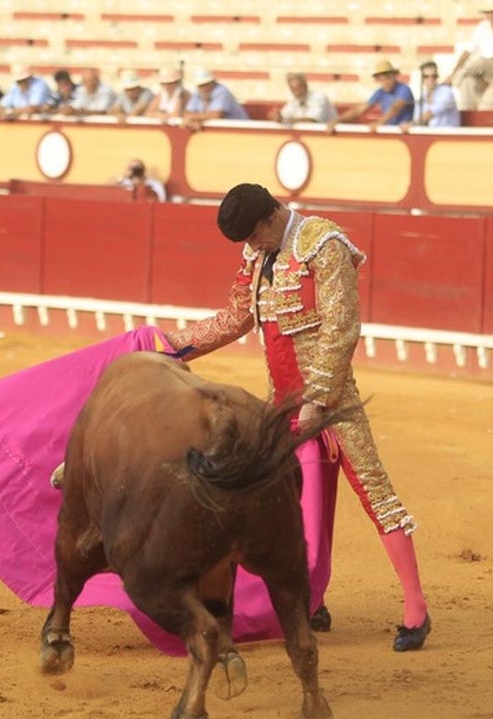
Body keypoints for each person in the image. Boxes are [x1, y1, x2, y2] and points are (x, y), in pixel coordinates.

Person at [161, 183, 433, 653]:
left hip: (333, 405)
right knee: (292, 506)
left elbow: (341, 328)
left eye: (251, 237)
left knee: (374, 492)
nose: (249, 248)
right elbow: (234, 318)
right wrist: (171, 346)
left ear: (269, 218)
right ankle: (311, 601)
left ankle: (417, 610)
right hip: (280, 407)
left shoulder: (323, 246)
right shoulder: (259, 257)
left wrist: (318, 400)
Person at [445, 3, 493, 110]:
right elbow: (468, 51)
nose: (491, 15)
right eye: (488, 12)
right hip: (481, 70)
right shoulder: (482, 27)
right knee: (467, 83)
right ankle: (469, 114)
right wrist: (454, 70)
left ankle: (455, 80)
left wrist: (455, 74)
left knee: (481, 61)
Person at [328, 59, 414, 132]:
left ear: (394, 77)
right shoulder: (380, 92)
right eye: (381, 79)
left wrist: (379, 123)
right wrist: (338, 120)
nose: (385, 82)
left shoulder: (404, 89)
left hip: (403, 131)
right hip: (390, 130)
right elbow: (359, 110)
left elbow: (396, 108)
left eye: (387, 78)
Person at [183, 67, 249, 127]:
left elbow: (216, 115)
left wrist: (194, 117)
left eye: (206, 84)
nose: (204, 88)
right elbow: (188, 112)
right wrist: (196, 120)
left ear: (213, 82)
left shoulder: (222, 91)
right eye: (201, 85)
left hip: (237, 128)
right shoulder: (197, 92)